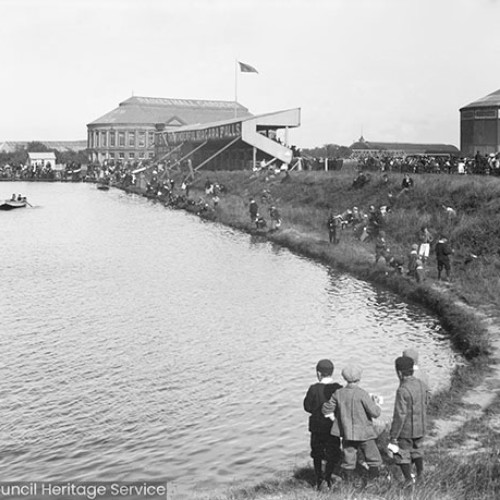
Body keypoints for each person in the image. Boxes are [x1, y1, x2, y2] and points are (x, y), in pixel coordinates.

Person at [322, 365, 382, 483]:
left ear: (344, 378)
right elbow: (375, 413)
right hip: (365, 433)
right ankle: (374, 480)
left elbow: (326, 409)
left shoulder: (338, 393)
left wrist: (335, 418)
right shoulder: (362, 394)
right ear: (359, 379)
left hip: (347, 433)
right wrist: (377, 403)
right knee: (373, 457)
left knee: (348, 459)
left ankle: (349, 483)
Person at [389, 356, 429, 488]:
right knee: (417, 450)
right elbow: (427, 400)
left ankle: (408, 479)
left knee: (402, 453)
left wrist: (394, 435)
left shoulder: (402, 390)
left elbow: (400, 415)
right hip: (420, 426)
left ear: (399, 372)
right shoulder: (421, 384)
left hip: (406, 430)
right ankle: (420, 474)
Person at [303, 359, 343, 490]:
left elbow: (307, 407)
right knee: (333, 452)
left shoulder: (313, 389)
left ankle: (319, 479)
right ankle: (328, 477)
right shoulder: (338, 388)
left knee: (317, 453)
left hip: (317, 428)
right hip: (333, 427)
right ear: (332, 372)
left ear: (319, 374)